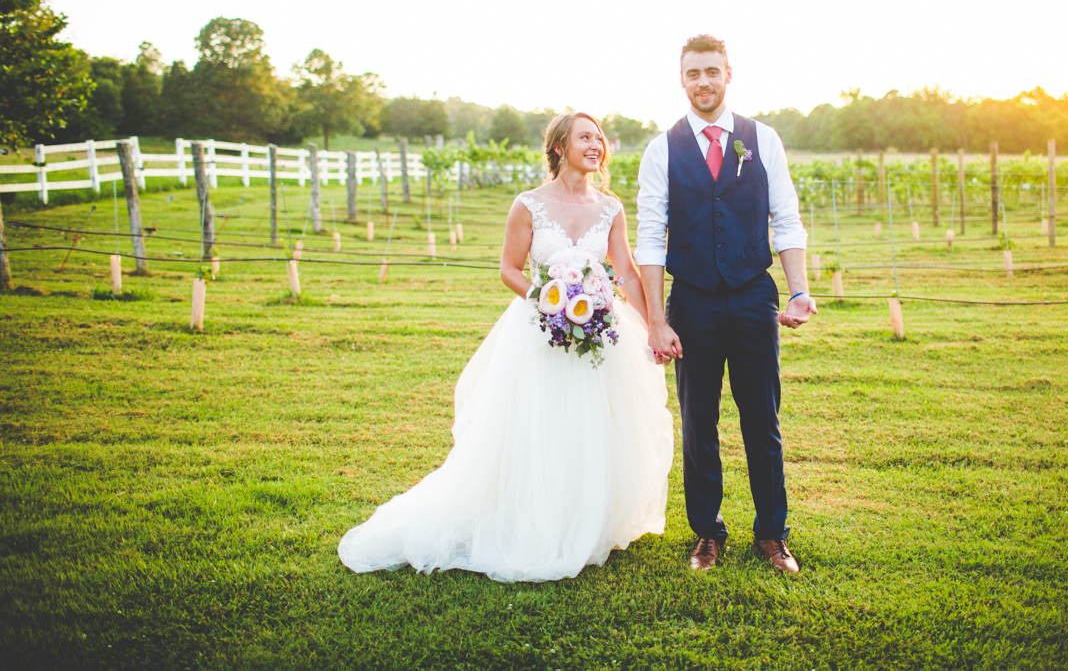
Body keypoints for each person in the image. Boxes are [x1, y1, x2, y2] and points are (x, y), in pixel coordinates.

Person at [338, 112, 672, 582]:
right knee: (538, 422)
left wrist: (652, 325)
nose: (596, 145)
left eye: (599, 138)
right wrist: (550, 299)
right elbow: (510, 269)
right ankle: (532, 520)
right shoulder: (529, 205)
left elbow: (628, 273)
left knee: (594, 422)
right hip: (539, 328)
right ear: (559, 147)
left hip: (600, 329)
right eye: (585, 137)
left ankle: (584, 518)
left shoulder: (610, 208)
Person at [636, 34, 816, 574]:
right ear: (682, 79)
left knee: (762, 417)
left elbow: (785, 217)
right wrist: (656, 318)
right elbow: (649, 237)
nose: (703, 82)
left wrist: (799, 289)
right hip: (691, 302)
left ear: (728, 74)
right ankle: (707, 533)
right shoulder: (661, 148)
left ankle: (771, 534)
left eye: (712, 71)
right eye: (693, 73)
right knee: (698, 421)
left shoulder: (763, 139)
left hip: (752, 294)